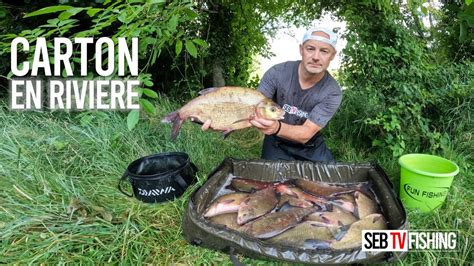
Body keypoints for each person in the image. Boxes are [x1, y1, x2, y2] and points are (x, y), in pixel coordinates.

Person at [202, 26, 342, 162]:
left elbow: (306, 133)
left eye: (324, 51)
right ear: (301, 50)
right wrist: (223, 121)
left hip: (309, 144)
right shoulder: (277, 73)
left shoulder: (332, 92)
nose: (316, 57)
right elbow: (252, 107)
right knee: (272, 182)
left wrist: (276, 127)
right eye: (310, 49)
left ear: (332, 55)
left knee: (329, 181)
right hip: (276, 140)